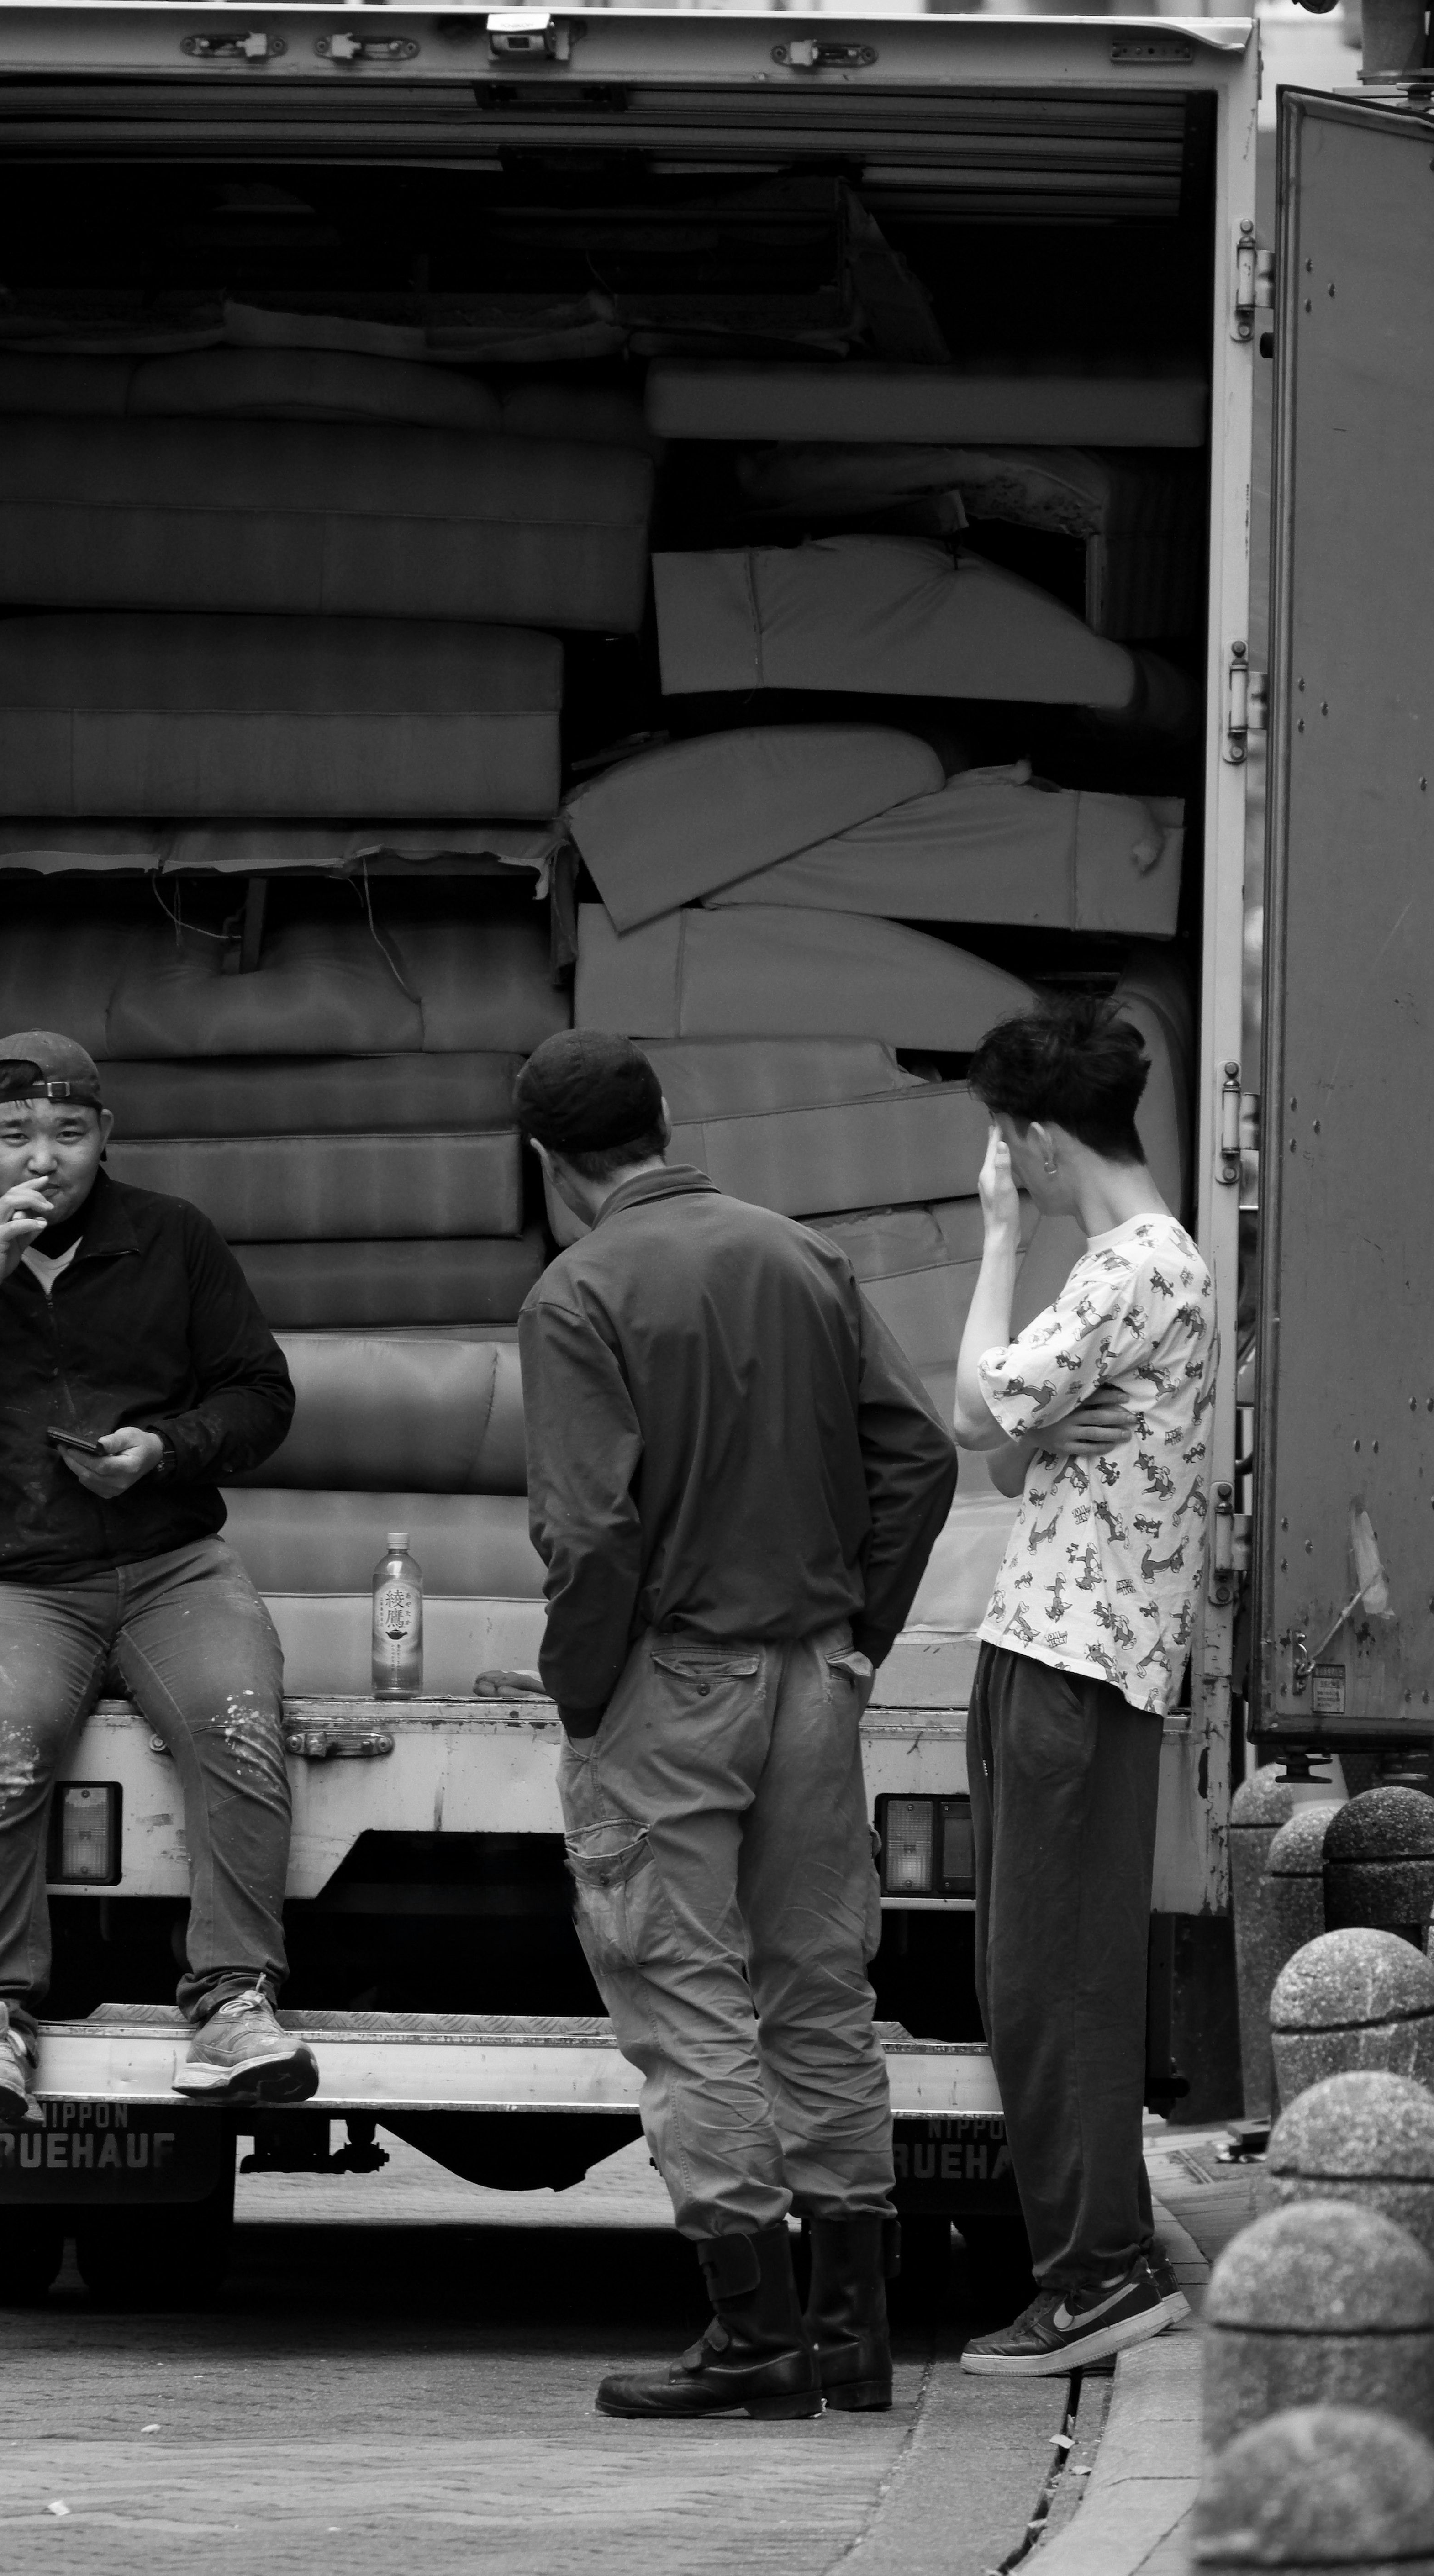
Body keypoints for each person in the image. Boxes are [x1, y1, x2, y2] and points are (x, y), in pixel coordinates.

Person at [514, 1030, 958, 2422]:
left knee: (688, 1997)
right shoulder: (800, 1256)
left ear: (552, 1163)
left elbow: (590, 1532)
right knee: (822, 1997)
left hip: (673, 1682)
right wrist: (861, 1631)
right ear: (664, 1119)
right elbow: (923, 1456)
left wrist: (588, 1693)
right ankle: (851, 2337)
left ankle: (753, 2333)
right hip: (816, 1675)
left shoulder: (576, 1293)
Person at [0, 1030, 316, 2127]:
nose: (42, 1159)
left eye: (68, 1132)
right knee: (4, 1745)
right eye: (14, 1135)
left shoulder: (174, 1239)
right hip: (6, 1581)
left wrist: (166, 1447)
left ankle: (234, 2003)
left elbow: (262, 1395)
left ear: (107, 1135)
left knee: (240, 1724)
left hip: (169, 1564)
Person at [951, 995, 1213, 2376]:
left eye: (1010, 1149)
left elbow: (970, 1414)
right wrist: (1025, 1421)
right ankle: (1103, 2262)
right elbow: (1009, 1447)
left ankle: (1098, 2275)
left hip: (1069, 1662)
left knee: (1049, 1982)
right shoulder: (1149, 1264)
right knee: (1052, 1975)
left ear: (1042, 1139)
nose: (1009, 1176)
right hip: (1075, 1658)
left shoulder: (1124, 1270)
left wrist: (993, 1250)